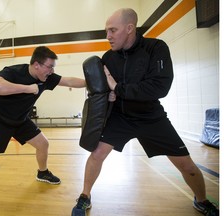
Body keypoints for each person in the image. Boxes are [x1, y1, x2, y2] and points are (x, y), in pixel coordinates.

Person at [71, 8, 219, 216]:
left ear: (130, 28)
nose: (108, 36)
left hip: (151, 116)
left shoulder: (155, 48)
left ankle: (202, 200)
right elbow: (106, 89)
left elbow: (159, 88)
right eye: (106, 31)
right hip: (120, 116)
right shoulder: (108, 57)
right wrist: (109, 96)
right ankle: (85, 196)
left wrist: (117, 88)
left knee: (187, 165)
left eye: (113, 30)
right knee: (97, 154)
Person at [0, 46, 86, 210]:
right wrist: (27, 88)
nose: (52, 70)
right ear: (37, 64)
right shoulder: (14, 71)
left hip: (21, 120)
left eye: (53, 67)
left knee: (43, 144)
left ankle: (42, 172)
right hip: (0, 121)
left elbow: (69, 81)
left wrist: (92, 82)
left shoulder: (47, 77)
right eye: (50, 66)